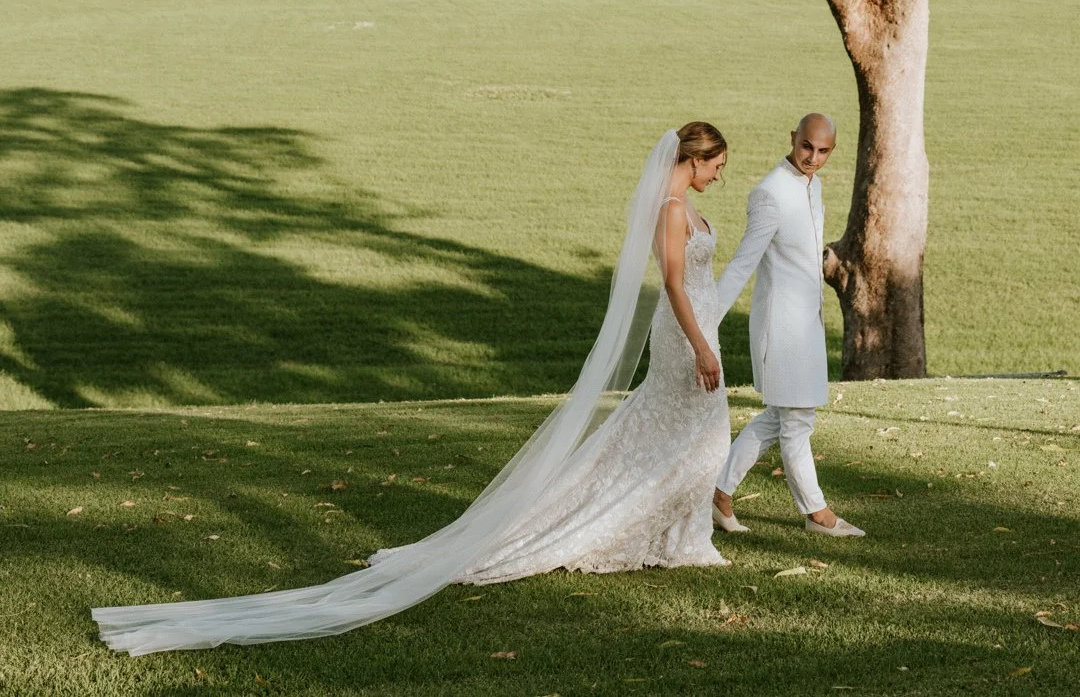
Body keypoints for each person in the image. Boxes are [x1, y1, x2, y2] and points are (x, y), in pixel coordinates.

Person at [93, 122, 734, 654]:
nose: (718, 176)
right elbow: (675, 285)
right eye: (716, 165)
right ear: (693, 159)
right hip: (686, 337)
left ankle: (679, 534)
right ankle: (658, 531)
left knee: (687, 435)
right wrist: (702, 346)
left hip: (697, 331)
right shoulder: (672, 211)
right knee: (701, 439)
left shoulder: (688, 207)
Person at [710, 114, 865, 539]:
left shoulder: (813, 187)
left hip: (807, 325)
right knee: (796, 422)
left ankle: (718, 494)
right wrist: (706, 324)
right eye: (806, 147)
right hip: (781, 329)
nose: (813, 157)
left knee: (781, 417)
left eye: (823, 151)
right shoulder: (770, 194)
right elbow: (743, 263)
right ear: (792, 139)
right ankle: (816, 513)